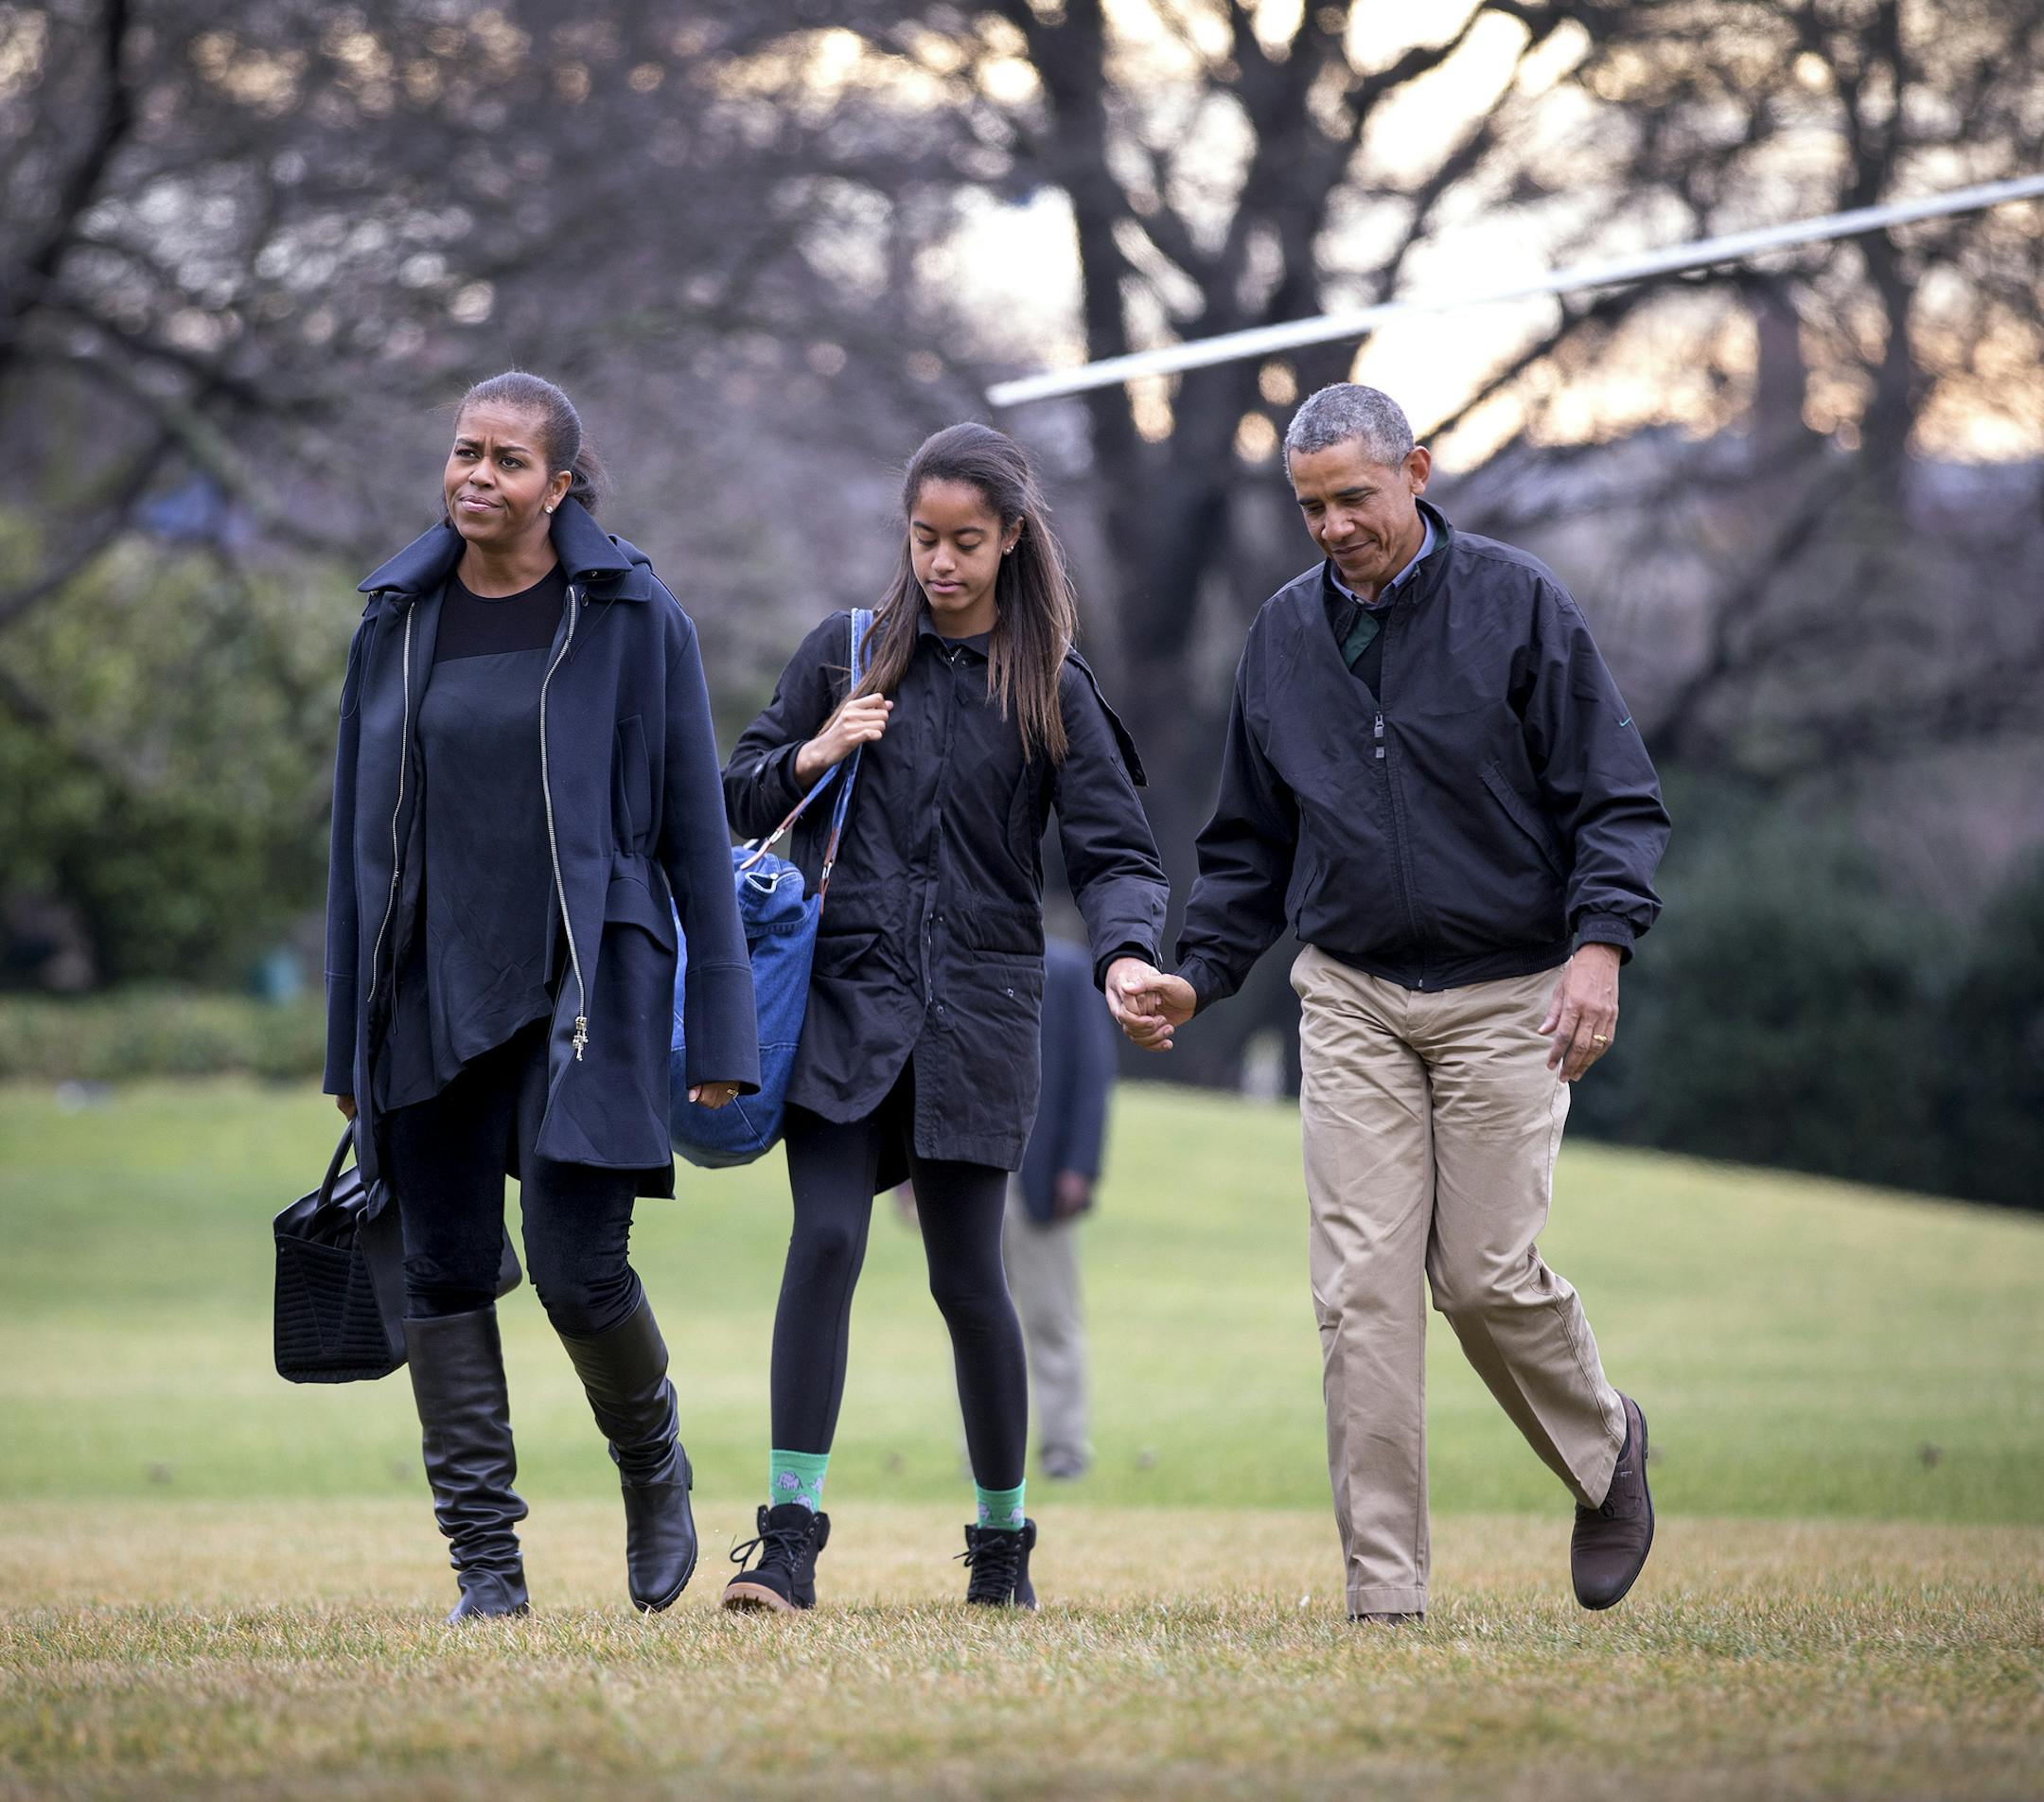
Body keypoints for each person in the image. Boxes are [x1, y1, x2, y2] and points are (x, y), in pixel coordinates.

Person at [1117, 383, 1670, 1624]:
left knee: (1479, 1277)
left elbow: (1617, 800)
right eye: (1310, 506)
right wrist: (1195, 972)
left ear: (1415, 472)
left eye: (1354, 498)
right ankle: (1386, 1598)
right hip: (1354, 997)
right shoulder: (1281, 636)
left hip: (1510, 994)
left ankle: (1605, 1450)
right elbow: (1250, 846)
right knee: (1361, 1288)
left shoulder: (1518, 606)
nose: (1332, 526)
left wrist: (1600, 948)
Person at [324, 371, 759, 1621]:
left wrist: (719, 1027)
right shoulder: (394, 620)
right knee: (446, 1272)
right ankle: (486, 1570)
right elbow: (356, 841)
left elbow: (692, 829)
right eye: (465, 452)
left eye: (509, 461)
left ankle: (651, 1465)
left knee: (579, 1273)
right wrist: (346, 1031)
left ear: (559, 486)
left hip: (590, 994)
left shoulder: (631, 616)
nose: (478, 476)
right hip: (425, 992)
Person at [718, 422, 1169, 1613]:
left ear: (1012, 539)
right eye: (923, 538)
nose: (942, 563)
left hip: (979, 1013)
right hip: (845, 1002)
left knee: (972, 1279)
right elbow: (735, 785)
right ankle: (789, 1537)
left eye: (967, 541)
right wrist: (815, 748)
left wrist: (1125, 955)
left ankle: (1002, 1545)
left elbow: (1118, 852)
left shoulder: (1052, 682)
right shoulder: (844, 652)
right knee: (825, 1241)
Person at [1006, 932, 1119, 1479]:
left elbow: (1093, 1072)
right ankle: (986, 1452)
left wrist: (1081, 1166)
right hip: (965, 1168)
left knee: (1051, 1316)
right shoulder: (948, 956)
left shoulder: (1070, 971)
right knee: (972, 1317)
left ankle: (1064, 1448)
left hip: (1040, 1175)